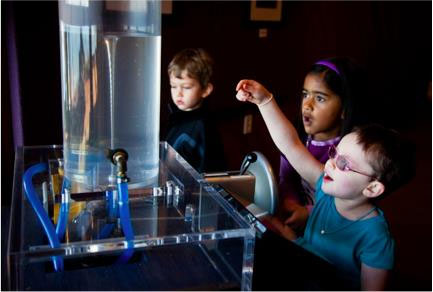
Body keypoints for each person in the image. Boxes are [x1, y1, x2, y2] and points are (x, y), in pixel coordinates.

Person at [235, 79, 415, 290]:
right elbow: (291, 145)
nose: (330, 163)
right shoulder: (326, 186)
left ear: (372, 188)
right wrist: (265, 101)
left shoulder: (376, 239)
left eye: (343, 163)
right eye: (335, 153)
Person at [278, 57, 367, 234]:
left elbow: (349, 201)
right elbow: (286, 178)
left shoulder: (352, 149)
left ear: (344, 109)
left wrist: (310, 213)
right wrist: (290, 202)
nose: (307, 105)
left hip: (335, 229)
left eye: (319, 98)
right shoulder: (297, 137)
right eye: (305, 94)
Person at [165, 48, 226, 173]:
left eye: (186, 87)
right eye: (173, 86)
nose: (178, 93)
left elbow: (208, 173)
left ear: (206, 90)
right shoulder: (176, 117)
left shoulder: (203, 128)